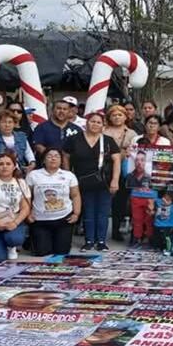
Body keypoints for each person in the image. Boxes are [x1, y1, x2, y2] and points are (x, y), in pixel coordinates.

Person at [63, 110, 121, 251]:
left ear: (103, 125)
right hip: (82, 181)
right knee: (88, 210)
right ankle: (89, 240)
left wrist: (115, 180)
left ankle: (101, 241)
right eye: (92, 121)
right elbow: (65, 156)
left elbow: (117, 160)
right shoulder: (74, 139)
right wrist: (68, 175)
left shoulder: (108, 140)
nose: (95, 124)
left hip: (104, 181)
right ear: (86, 123)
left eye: (98, 122)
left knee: (103, 211)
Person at [104, 104, 138, 242]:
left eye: (120, 115)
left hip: (124, 170)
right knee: (104, 200)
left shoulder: (132, 134)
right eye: (114, 115)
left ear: (125, 117)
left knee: (120, 201)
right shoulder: (103, 131)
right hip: (106, 168)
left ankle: (116, 230)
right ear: (109, 117)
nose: (117, 117)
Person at [150, 189, 173, 254]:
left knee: (167, 238)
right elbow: (152, 201)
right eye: (164, 197)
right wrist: (152, 208)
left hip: (170, 225)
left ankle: (168, 249)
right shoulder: (158, 201)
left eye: (168, 199)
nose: (165, 200)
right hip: (158, 224)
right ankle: (157, 247)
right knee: (157, 237)